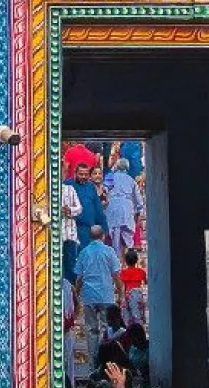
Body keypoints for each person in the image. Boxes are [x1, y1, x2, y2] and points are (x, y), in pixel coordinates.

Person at [74, 225, 123, 374]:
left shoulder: (84, 252)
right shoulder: (109, 251)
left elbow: (79, 277)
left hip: (89, 296)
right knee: (107, 329)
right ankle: (107, 363)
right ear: (103, 236)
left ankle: (93, 365)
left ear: (91, 237)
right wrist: (120, 293)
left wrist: (76, 295)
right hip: (106, 295)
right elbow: (116, 275)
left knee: (91, 330)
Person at [103, 154, 140, 255]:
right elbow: (138, 200)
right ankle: (127, 260)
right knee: (127, 238)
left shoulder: (110, 177)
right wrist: (138, 212)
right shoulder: (131, 180)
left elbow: (104, 192)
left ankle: (116, 259)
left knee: (114, 236)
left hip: (112, 210)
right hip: (126, 210)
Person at [118, 245, 147, 324]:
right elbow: (146, 282)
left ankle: (129, 329)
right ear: (136, 260)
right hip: (137, 294)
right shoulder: (141, 272)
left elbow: (122, 286)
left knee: (127, 316)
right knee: (137, 315)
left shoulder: (123, 272)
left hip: (127, 294)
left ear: (126, 261)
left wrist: (120, 298)